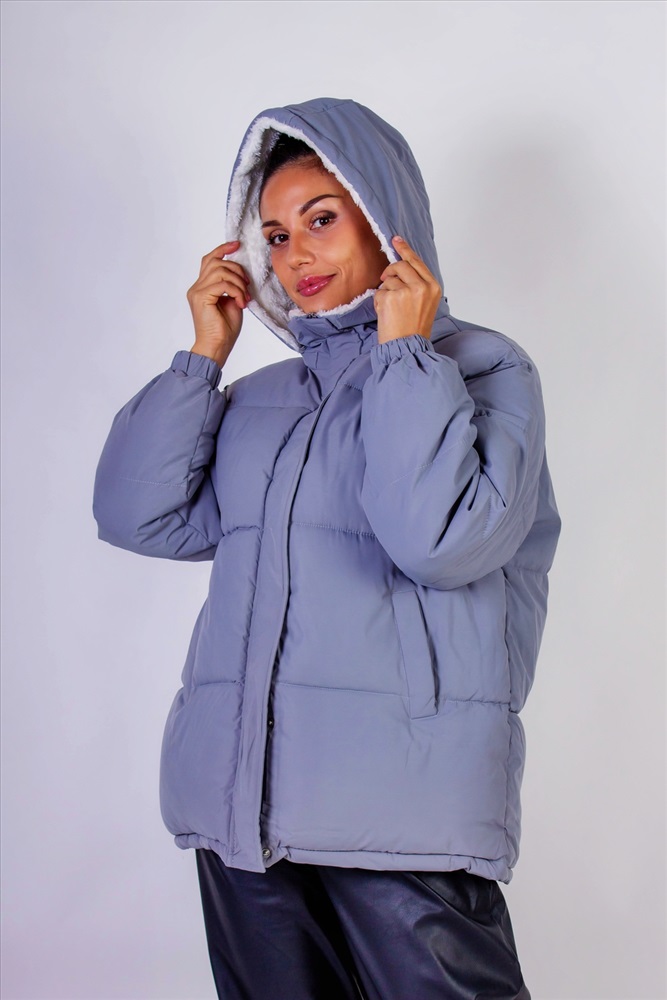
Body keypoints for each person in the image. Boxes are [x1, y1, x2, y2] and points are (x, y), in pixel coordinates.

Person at [93, 98, 561, 999]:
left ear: (386, 223)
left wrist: (404, 354)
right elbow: (136, 517)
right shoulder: (260, 400)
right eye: (274, 235)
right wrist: (202, 358)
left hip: (401, 809)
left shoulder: (481, 370)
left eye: (320, 220)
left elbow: (441, 541)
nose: (295, 255)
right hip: (243, 810)